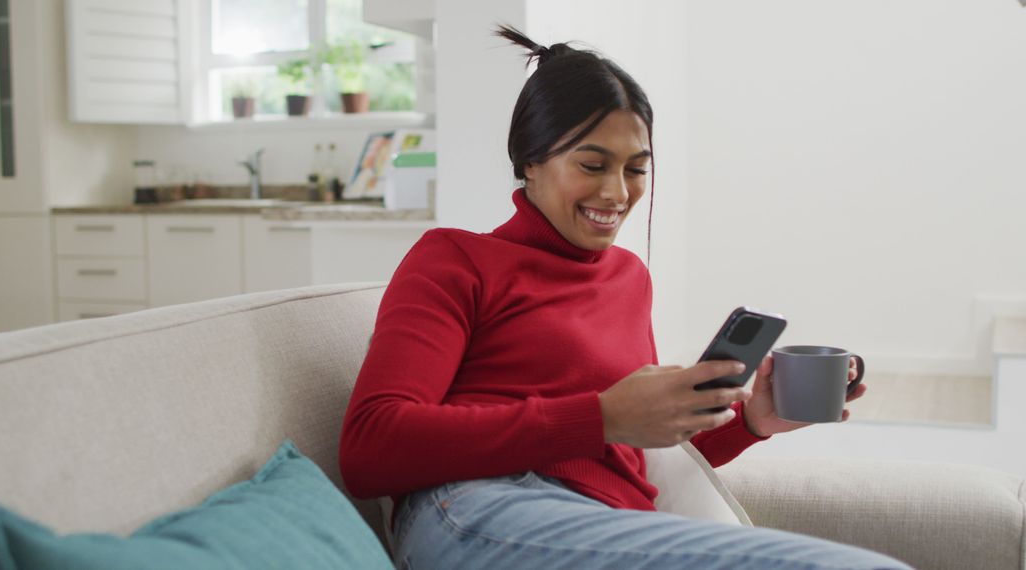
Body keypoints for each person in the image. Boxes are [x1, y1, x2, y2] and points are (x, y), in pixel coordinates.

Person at [339, 25, 910, 570]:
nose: (617, 193)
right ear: (531, 163)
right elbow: (371, 447)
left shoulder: (629, 277)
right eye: (592, 165)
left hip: (600, 517)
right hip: (478, 508)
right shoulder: (454, 260)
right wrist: (601, 415)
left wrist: (749, 422)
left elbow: (623, 455)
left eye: (637, 169)